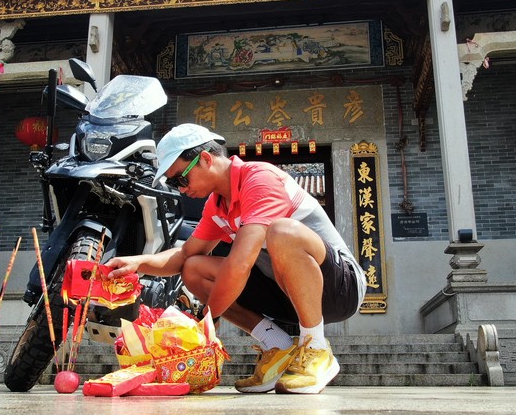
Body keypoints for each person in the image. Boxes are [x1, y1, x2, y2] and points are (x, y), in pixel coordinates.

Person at [104, 123, 367, 394]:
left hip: (339, 291)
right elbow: (185, 254)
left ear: (205, 159)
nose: (181, 190)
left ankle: (316, 348)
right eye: (173, 184)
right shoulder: (217, 204)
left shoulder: (260, 179)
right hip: (285, 294)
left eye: (180, 179)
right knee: (194, 269)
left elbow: (241, 264)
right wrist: (138, 263)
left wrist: (204, 322)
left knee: (282, 232)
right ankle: (277, 346)